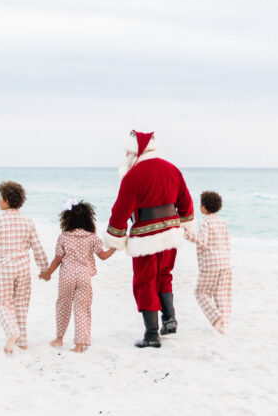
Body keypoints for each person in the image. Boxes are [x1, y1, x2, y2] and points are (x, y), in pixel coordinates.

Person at [104, 130, 194, 348]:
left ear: (136, 150)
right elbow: (186, 202)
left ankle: (152, 334)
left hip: (146, 238)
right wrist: (185, 224)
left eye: (127, 150)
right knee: (165, 275)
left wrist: (115, 237)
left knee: (144, 282)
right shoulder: (172, 169)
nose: (126, 153)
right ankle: (170, 321)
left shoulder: (133, 175)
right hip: (171, 234)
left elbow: (121, 211)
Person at [0, 180, 49, 354]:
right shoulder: (28, 222)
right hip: (23, 270)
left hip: (4, 270)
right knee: (21, 305)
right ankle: (23, 342)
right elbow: (37, 247)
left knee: (1, 304)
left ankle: (13, 332)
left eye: (0, 197)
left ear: (7, 200)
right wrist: (44, 267)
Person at [40, 200, 116, 353]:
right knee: (82, 309)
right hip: (84, 277)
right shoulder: (92, 237)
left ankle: (59, 338)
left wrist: (47, 273)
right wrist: (114, 247)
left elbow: (57, 259)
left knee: (63, 305)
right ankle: (79, 345)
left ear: (67, 219)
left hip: (66, 276)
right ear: (89, 219)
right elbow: (103, 256)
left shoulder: (63, 237)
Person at [183, 190, 232, 333]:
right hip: (225, 263)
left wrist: (186, 235)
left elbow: (202, 241)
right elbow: (227, 243)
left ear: (204, 207)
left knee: (200, 292)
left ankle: (216, 317)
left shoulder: (206, 222)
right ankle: (224, 324)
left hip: (211, 263)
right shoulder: (222, 222)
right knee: (221, 293)